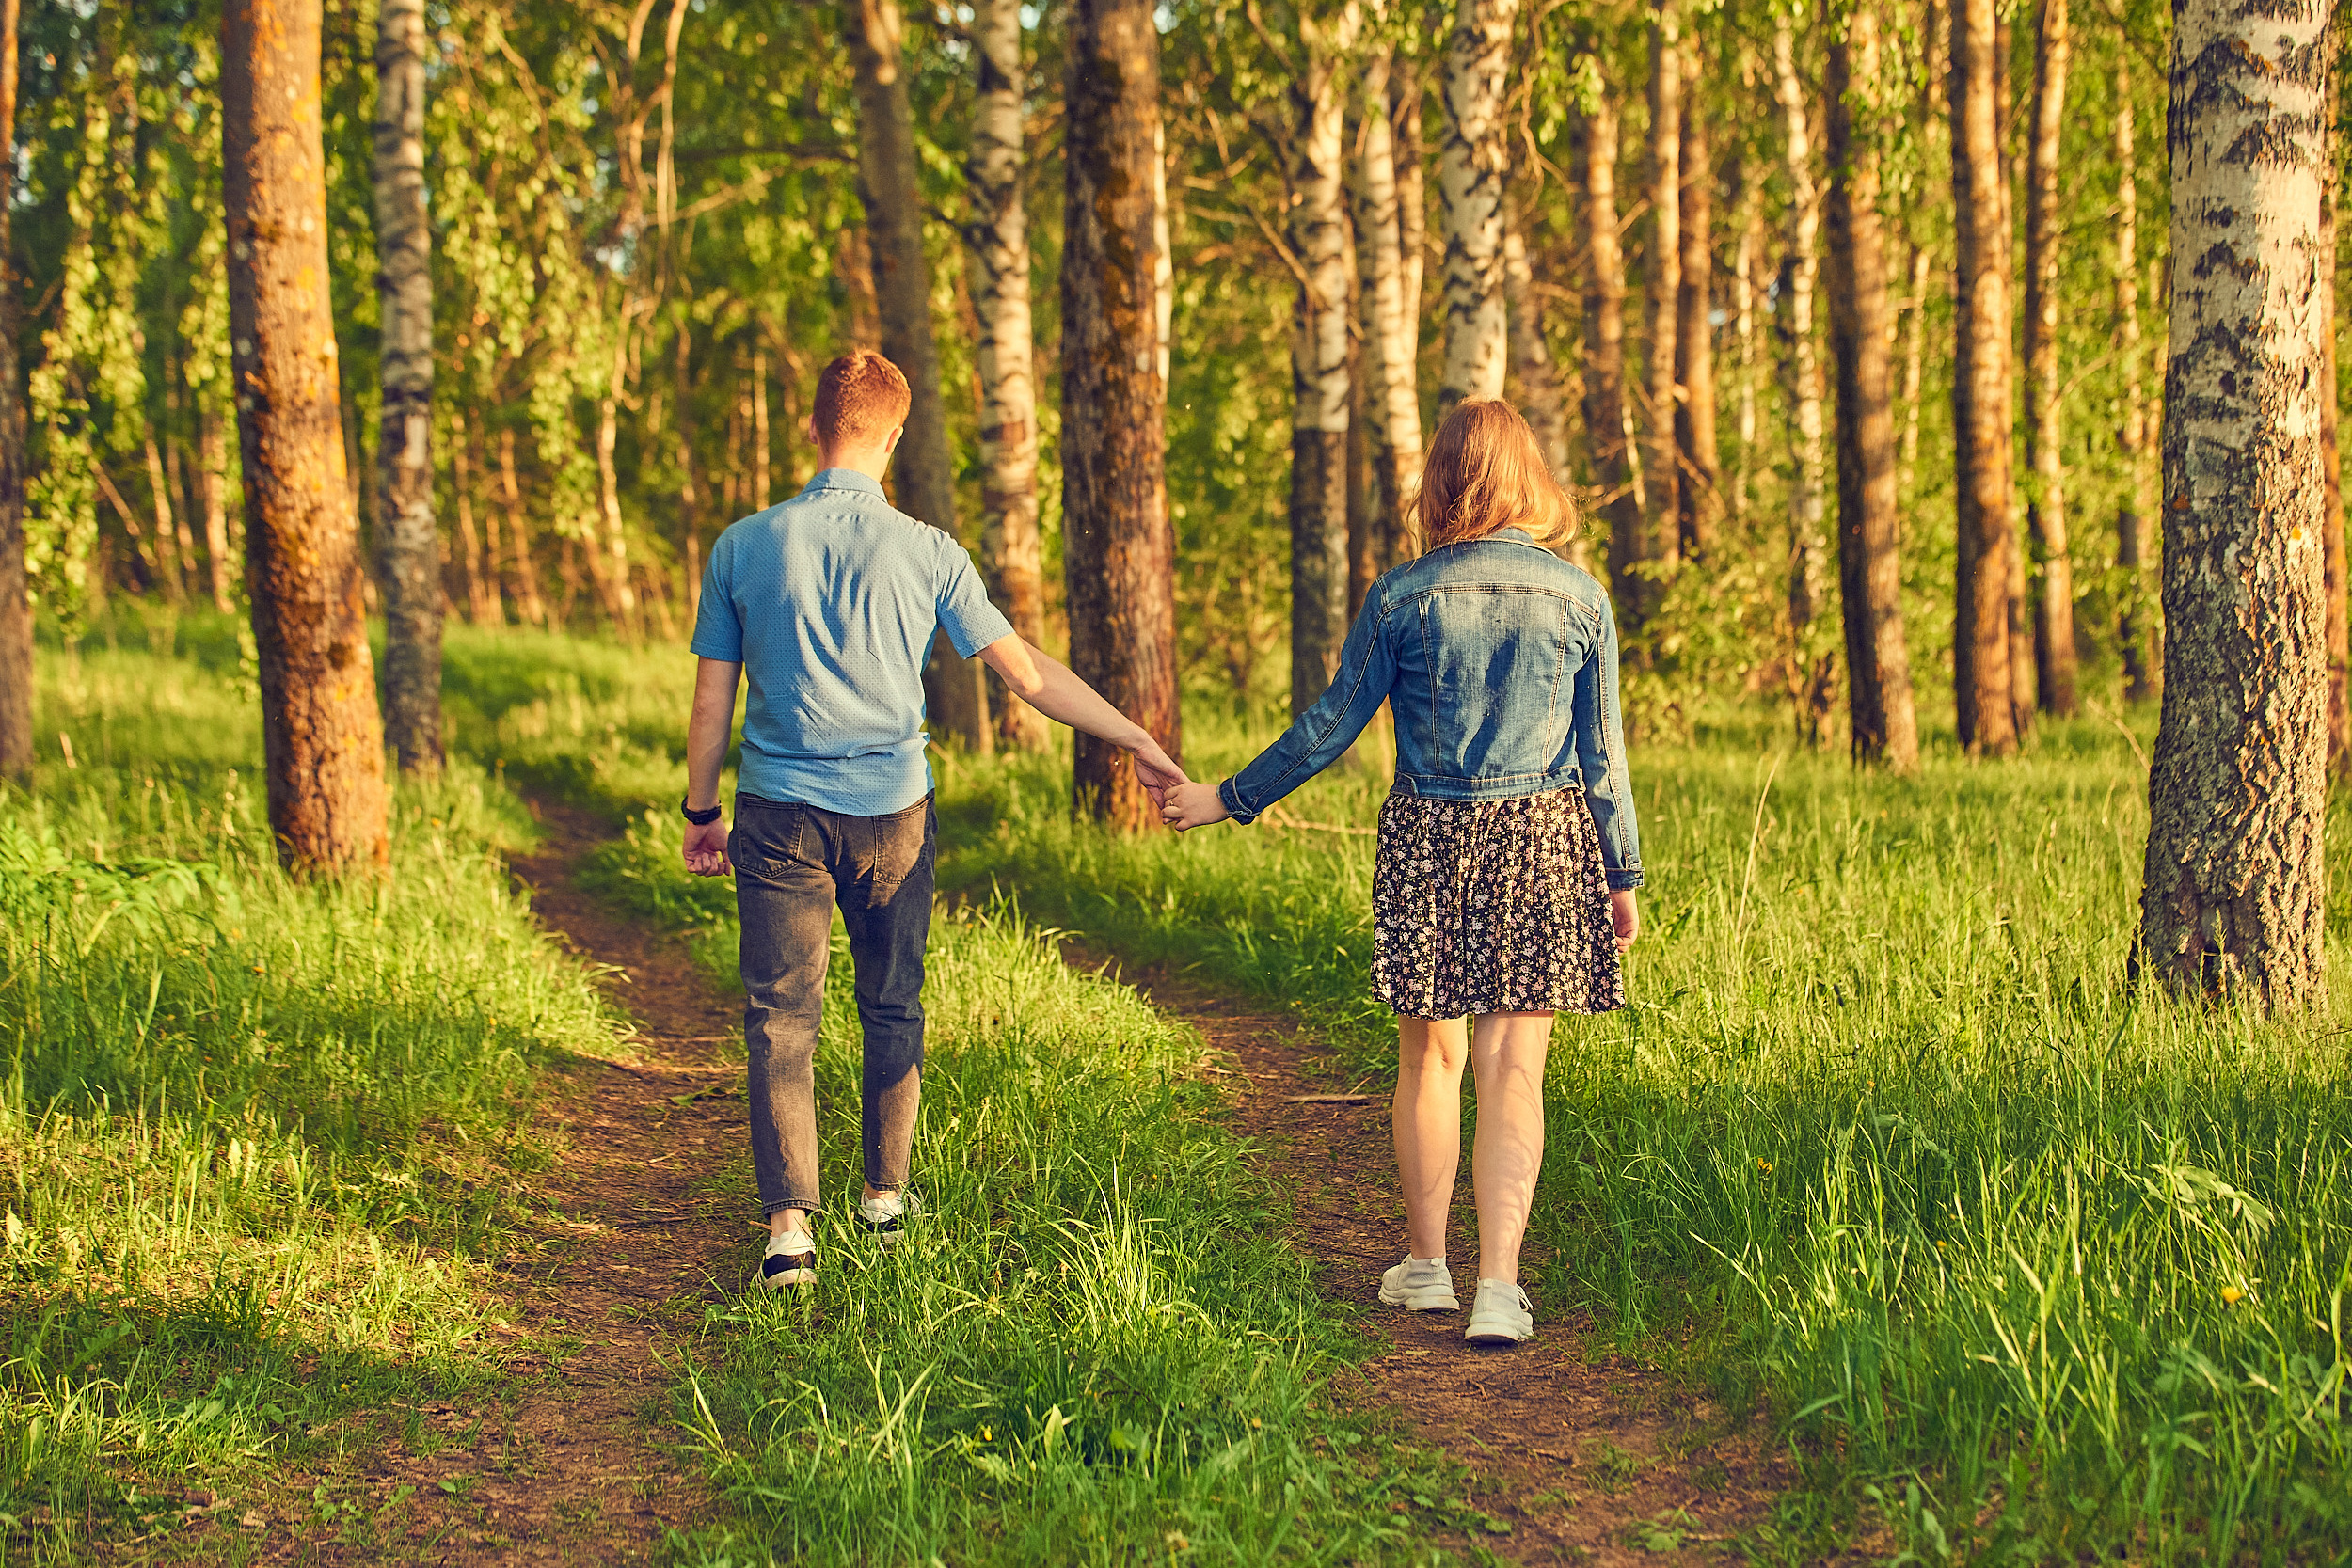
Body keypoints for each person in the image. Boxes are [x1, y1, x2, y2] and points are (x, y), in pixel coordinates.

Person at [682, 349, 1184, 1292]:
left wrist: (701, 808)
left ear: (812, 425)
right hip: (893, 818)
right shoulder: (930, 552)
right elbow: (1027, 674)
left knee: (781, 1017)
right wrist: (1134, 738)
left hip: (780, 813)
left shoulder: (743, 545)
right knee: (892, 1003)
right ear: (896, 437)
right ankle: (885, 1201)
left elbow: (713, 699)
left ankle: (789, 1232)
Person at [1161, 399, 1642, 1348]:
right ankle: (1499, 1285)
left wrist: (1229, 794)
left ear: (1442, 481)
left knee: (1431, 1053)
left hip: (1430, 833)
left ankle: (1427, 1267)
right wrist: (1618, 870)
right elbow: (1605, 757)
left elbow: (1329, 726)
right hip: (1543, 837)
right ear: (1526, 478)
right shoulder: (1579, 597)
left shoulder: (1400, 596)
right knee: (1514, 1063)